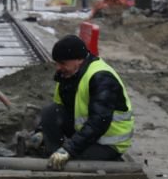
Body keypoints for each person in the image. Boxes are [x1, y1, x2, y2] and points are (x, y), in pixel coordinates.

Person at [41, 34, 134, 169]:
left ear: (78, 59)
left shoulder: (101, 78)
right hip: (88, 135)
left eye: (62, 63)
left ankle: (106, 158)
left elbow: (98, 123)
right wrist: (41, 131)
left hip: (107, 142)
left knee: (73, 163)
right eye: (56, 63)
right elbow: (58, 108)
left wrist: (69, 149)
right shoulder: (68, 75)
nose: (58, 67)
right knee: (50, 112)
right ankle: (54, 154)